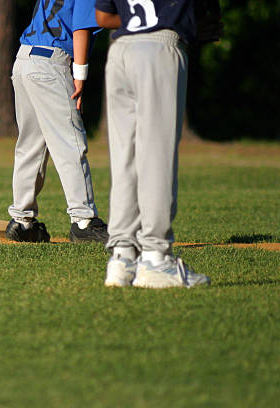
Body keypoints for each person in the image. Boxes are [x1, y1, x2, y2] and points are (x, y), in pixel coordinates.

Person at [95, 0, 222, 288]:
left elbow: (103, 15)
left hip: (120, 50)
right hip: (159, 48)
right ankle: (155, 257)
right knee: (156, 157)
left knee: (125, 159)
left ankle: (122, 258)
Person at [5, 0, 109, 244]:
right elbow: (81, 28)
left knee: (30, 145)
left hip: (24, 59)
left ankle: (22, 221)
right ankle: (84, 221)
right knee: (70, 143)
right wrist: (80, 75)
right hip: (50, 63)